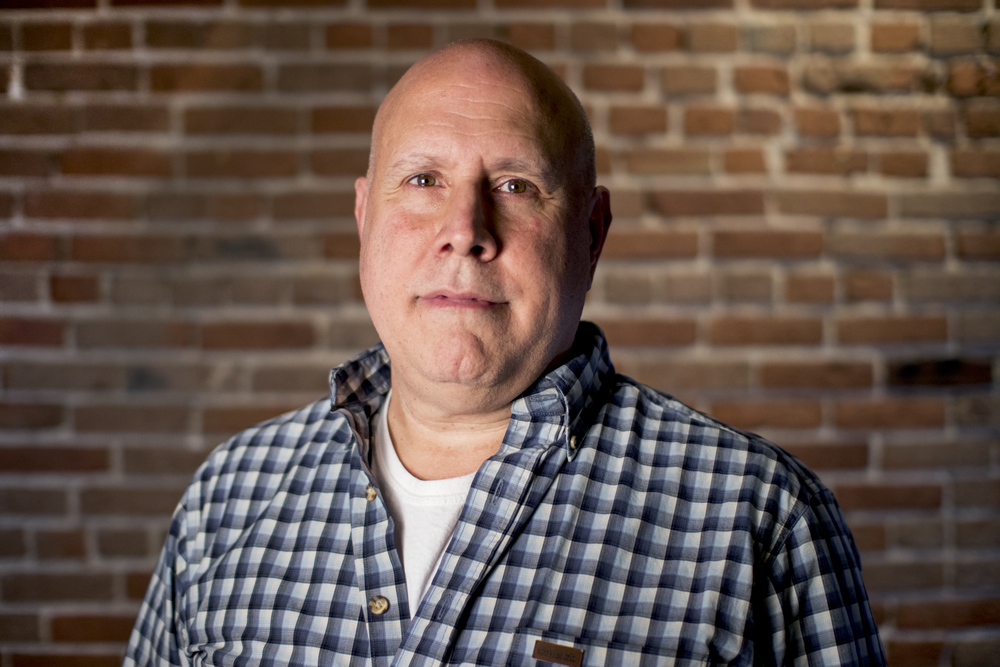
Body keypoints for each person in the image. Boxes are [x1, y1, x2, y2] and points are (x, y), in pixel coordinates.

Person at [124, 39, 885, 666]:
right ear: (363, 217)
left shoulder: (759, 517)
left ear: (591, 234)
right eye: (423, 179)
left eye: (516, 186)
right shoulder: (227, 498)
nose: (465, 230)